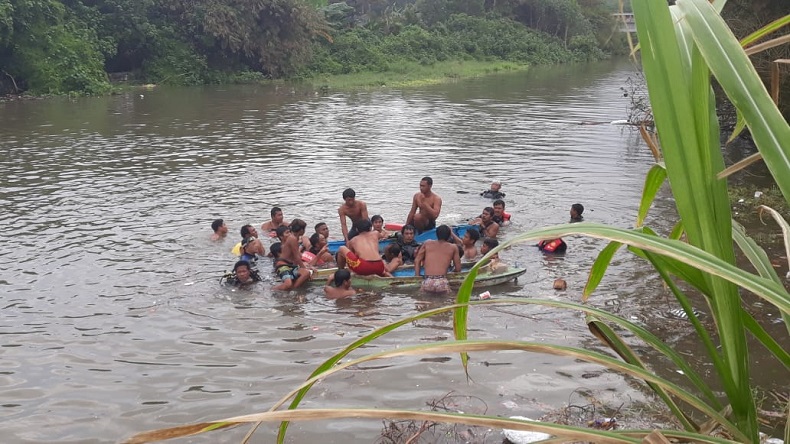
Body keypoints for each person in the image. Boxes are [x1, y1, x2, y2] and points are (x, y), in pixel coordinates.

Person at [414, 225, 461, 294]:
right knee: (450, 299)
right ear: (449, 236)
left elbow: (417, 261)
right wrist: (450, 272)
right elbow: (458, 269)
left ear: (436, 234)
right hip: (441, 281)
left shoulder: (427, 243)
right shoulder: (453, 247)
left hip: (428, 281)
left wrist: (417, 277)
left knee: (422, 301)